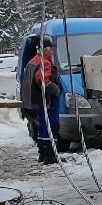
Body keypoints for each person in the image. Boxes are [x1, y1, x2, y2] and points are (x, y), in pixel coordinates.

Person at [20, 36, 62, 164]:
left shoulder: (33, 61)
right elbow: (42, 80)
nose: (53, 51)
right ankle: (50, 154)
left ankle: (43, 153)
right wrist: (56, 90)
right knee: (51, 125)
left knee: (42, 127)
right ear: (44, 49)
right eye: (51, 48)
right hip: (47, 101)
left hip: (35, 101)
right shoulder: (45, 62)